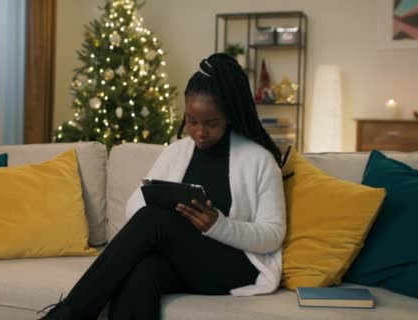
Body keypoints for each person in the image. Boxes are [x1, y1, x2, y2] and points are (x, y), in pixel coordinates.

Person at [38, 52, 287, 320]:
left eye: (211, 124)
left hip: (236, 266)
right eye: (191, 121)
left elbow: (273, 234)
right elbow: (136, 205)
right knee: (143, 270)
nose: (200, 132)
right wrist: (173, 219)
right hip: (185, 263)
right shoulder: (176, 152)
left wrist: (218, 225)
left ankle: (66, 316)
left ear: (229, 116)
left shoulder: (259, 160)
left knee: (153, 220)